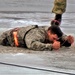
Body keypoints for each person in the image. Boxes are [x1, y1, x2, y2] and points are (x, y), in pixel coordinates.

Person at [0, 25, 74, 51]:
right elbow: (32, 45)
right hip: (6, 39)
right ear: (49, 33)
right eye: (54, 39)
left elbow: (59, 34)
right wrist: (51, 46)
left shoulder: (49, 29)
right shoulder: (37, 34)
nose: (55, 40)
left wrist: (66, 39)